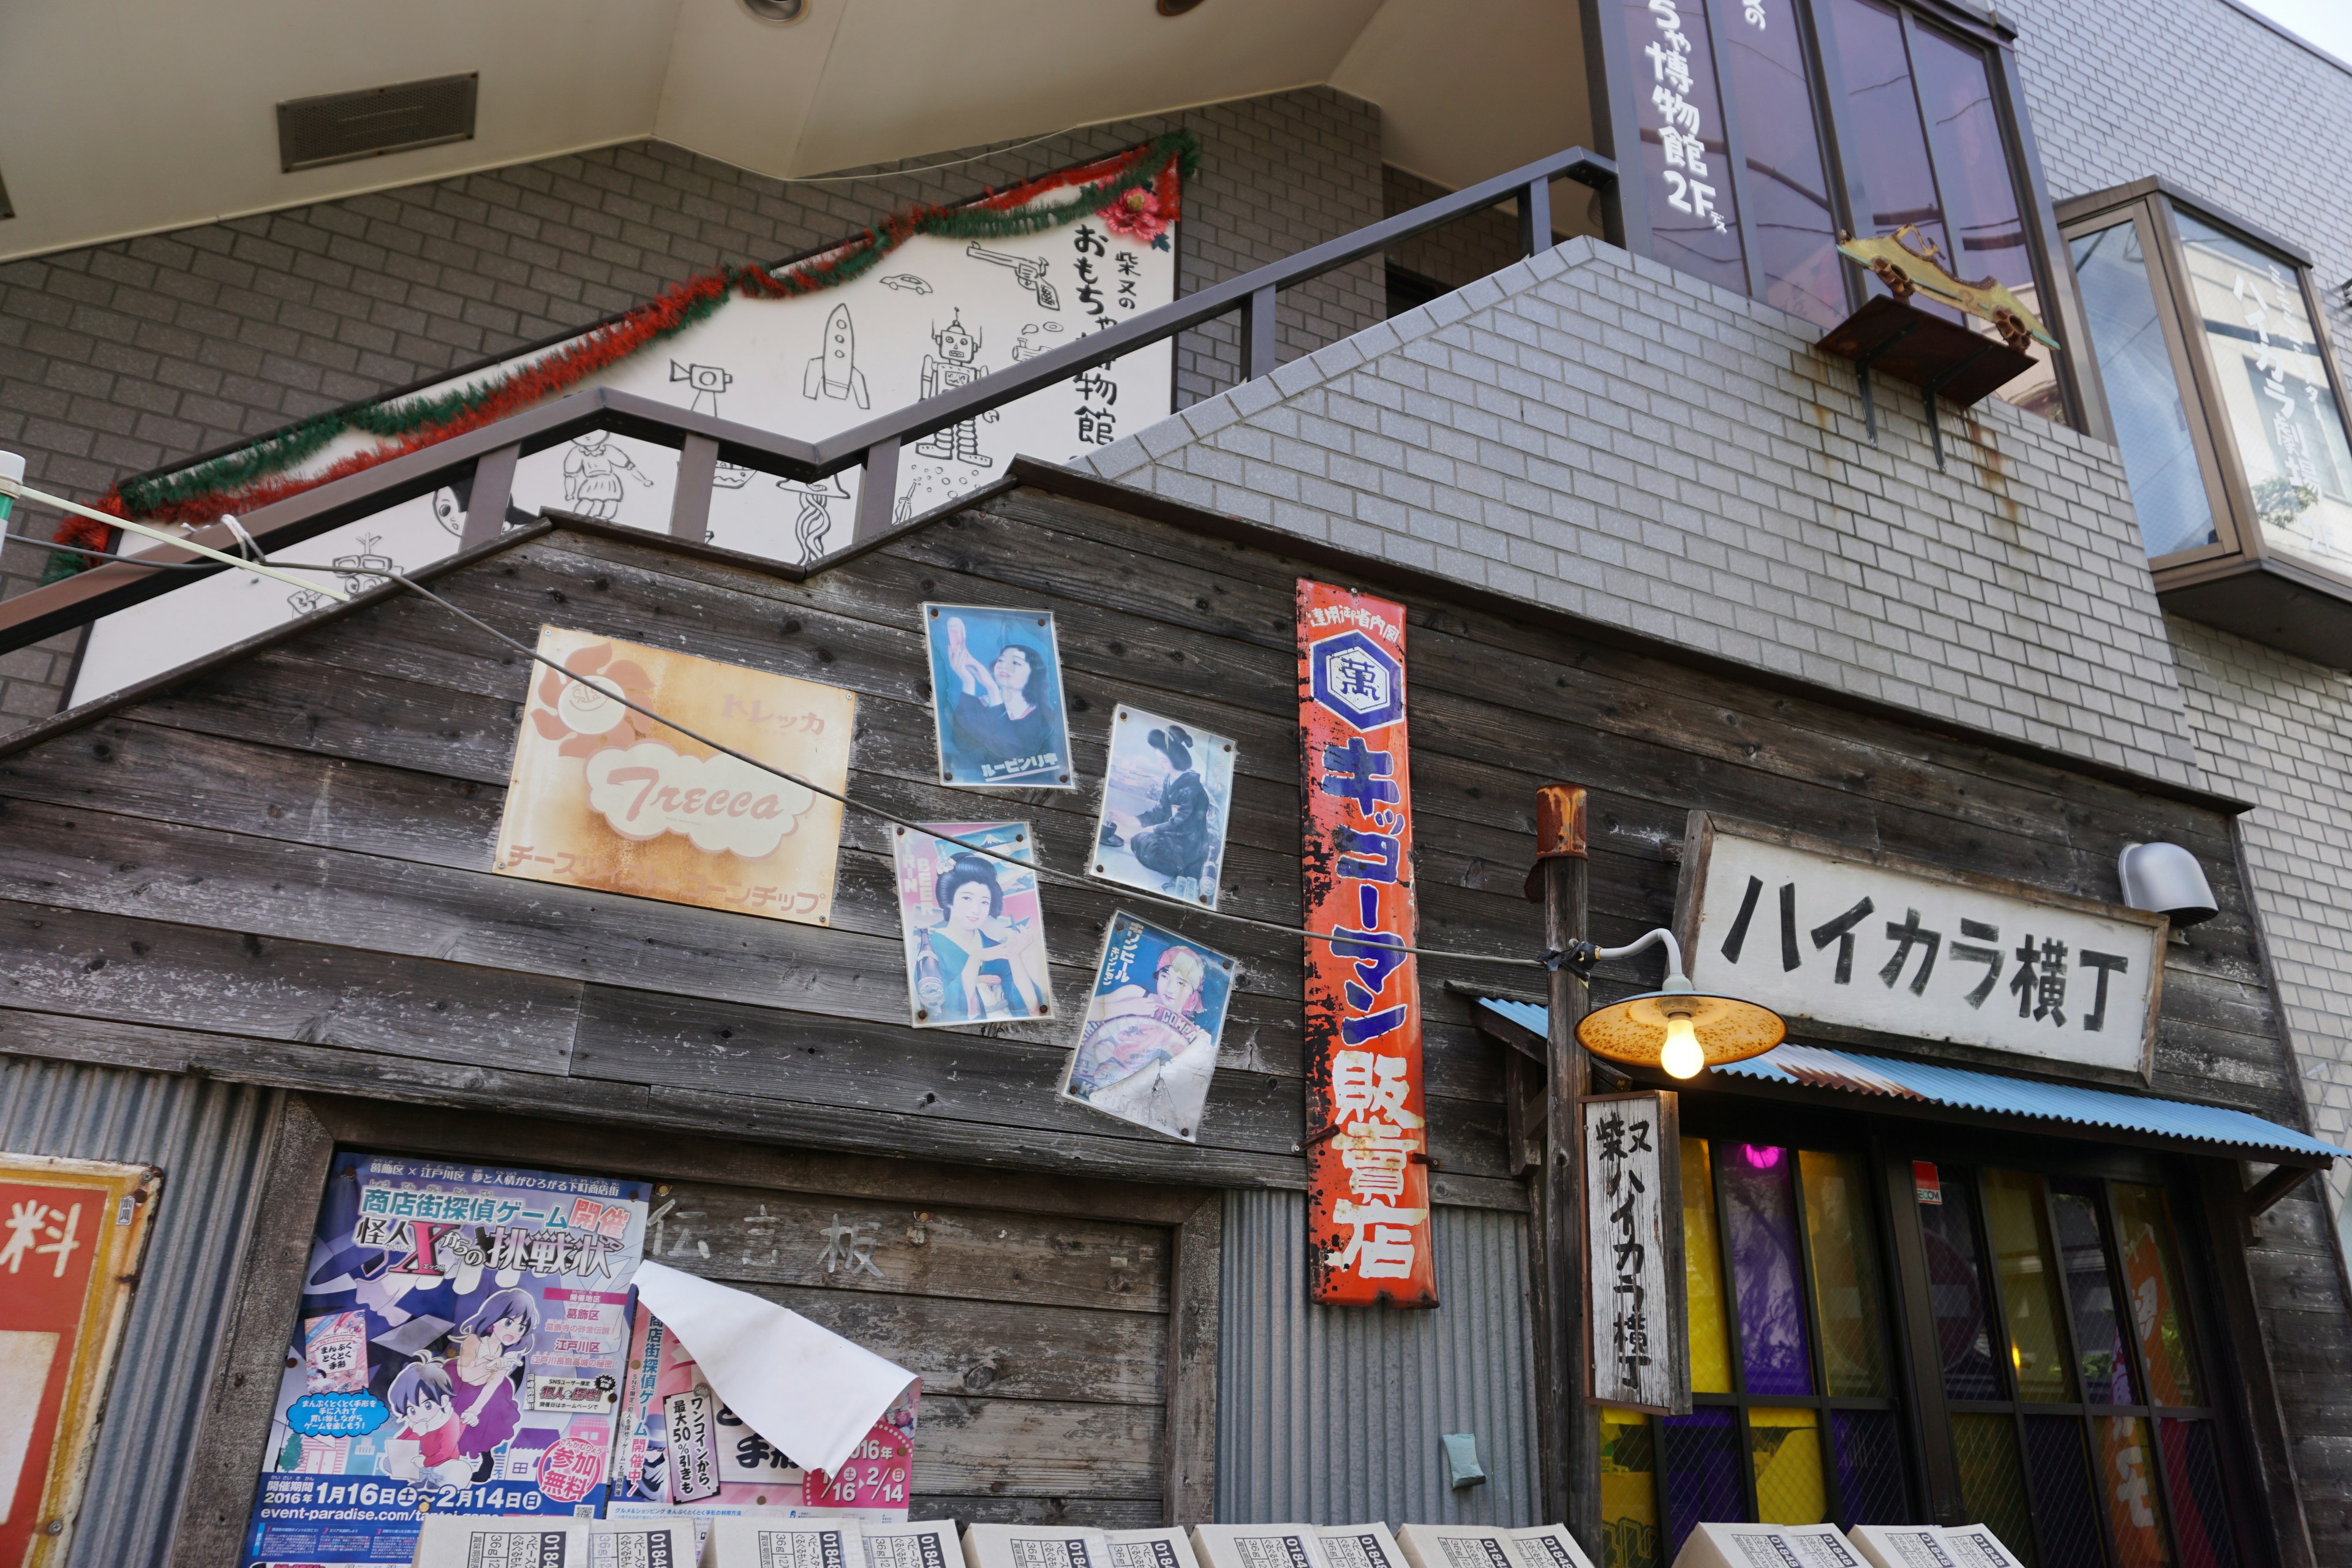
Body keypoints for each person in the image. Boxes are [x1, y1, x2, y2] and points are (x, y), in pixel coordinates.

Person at [1068, 944, 1220, 1137]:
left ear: (1193, 991)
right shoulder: (1138, 995)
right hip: (1098, 1078)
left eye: (1181, 983)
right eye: (1165, 977)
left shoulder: (1190, 1035)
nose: (1170, 988)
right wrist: (1127, 1007)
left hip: (1135, 1104)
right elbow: (1090, 1009)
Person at [915, 852, 1052, 1022]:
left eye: (984, 902)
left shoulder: (994, 948)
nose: (976, 910)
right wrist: (975, 959)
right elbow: (936, 1009)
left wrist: (1014, 956)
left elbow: (1030, 1007)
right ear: (949, 899)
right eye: (967, 898)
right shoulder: (930, 949)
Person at [939, 616, 1060, 782]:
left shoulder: (1041, 717)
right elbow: (962, 743)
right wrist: (968, 681)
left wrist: (994, 692)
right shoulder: (976, 703)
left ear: (1033, 674)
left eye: (1016, 663)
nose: (1004, 666)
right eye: (1001, 660)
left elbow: (1010, 751)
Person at [1102, 724, 1215, 896]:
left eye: (1163, 761)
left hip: (1189, 847)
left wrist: (1146, 830)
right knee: (1139, 840)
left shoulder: (1192, 788)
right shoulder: (1171, 778)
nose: (1160, 764)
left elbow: (1178, 822)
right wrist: (1127, 819)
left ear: (1176, 760)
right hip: (1172, 838)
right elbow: (1158, 812)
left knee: (1145, 844)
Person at [449, 1287, 538, 1479]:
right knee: (451, 1423)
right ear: (494, 1317)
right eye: (508, 1322)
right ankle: (444, 1457)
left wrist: (475, 1409)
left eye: (521, 1328)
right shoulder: (474, 1340)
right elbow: (467, 1375)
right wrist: (491, 1364)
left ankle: (485, 1460)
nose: (514, 1332)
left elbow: (493, 1383)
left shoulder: (511, 1351)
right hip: (459, 1384)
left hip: (489, 1391)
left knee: (489, 1420)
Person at [381, 1360, 472, 1488]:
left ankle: (431, 1479)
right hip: (421, 1462)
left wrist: (425, 1462)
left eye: (427, 1405)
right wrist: (416, 1433)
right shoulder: (416, 1423)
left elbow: (446, 1452)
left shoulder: (449, 1420)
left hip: (444, 1464)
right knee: (389, 1462)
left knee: (459, 1471)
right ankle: (423, 1477)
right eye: (412, 1410)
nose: (419, 1413)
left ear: (444, 1400)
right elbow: (404, 1445)